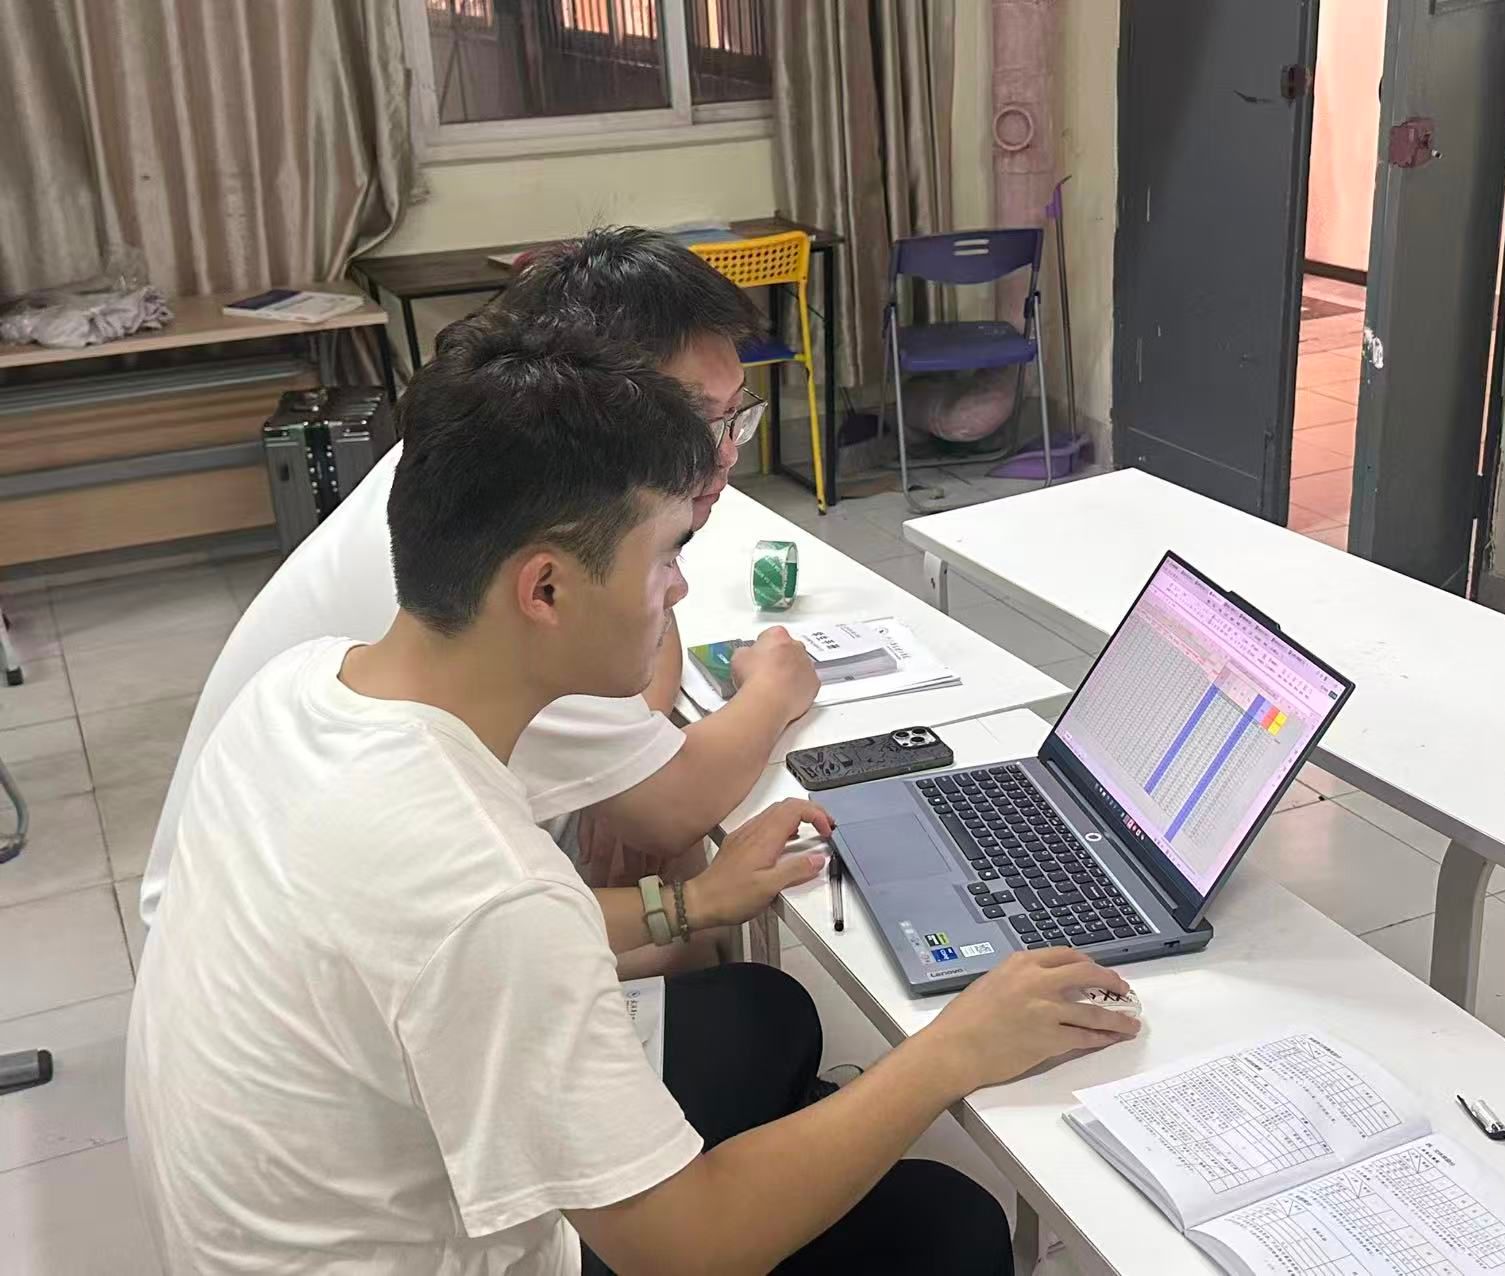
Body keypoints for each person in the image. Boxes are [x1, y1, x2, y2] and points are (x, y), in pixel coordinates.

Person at [126, 310, 1140, 1273]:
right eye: (663, 557)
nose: (680, 590)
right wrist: (951, 1050)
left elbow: (427, 944)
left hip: (277, 1224)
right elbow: (689, 1250)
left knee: (766, 1015)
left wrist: (689, 903)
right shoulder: (487, 887)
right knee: (948, 1224)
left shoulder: (301, 687)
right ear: (546, 589)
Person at [138, 227, 819, 972]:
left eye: (735, 416)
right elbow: (670, 807)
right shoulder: (521, 539)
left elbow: (651, 645)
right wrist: (773, 689)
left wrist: (622, 758)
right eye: (698, 424)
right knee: (714, 947)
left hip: (307, 896)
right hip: (283, 947)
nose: (725, 454)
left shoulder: (495, 459)